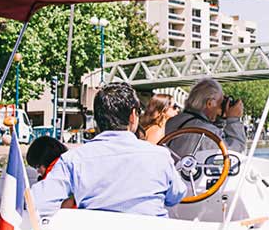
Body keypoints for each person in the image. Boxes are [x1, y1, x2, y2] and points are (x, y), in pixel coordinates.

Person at [29, 83, 188, 217]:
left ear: (97, 118)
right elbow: (177, 195)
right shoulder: (159, 155)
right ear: (133, 116)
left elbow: (37, 202)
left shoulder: (73, 159)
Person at [162, 78, 248, 157]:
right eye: (220, 103)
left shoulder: (172, 122)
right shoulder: (209, 132)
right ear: (210, 104)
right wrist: (233, 120)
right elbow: (236, 154)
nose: (222, 107)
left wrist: (220, 119)